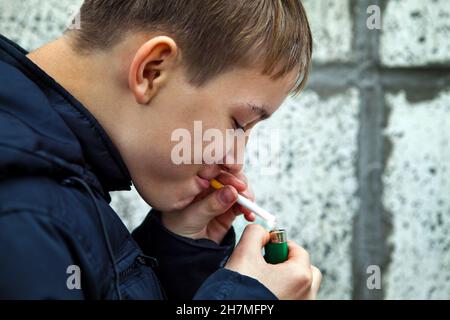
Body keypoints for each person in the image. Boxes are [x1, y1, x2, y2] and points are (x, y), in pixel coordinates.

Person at [0, 0, 321, 299]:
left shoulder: (51, 183)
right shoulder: (26, 212)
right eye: (239, 124)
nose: (234, 161)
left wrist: (179, 254)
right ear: (152, 70)